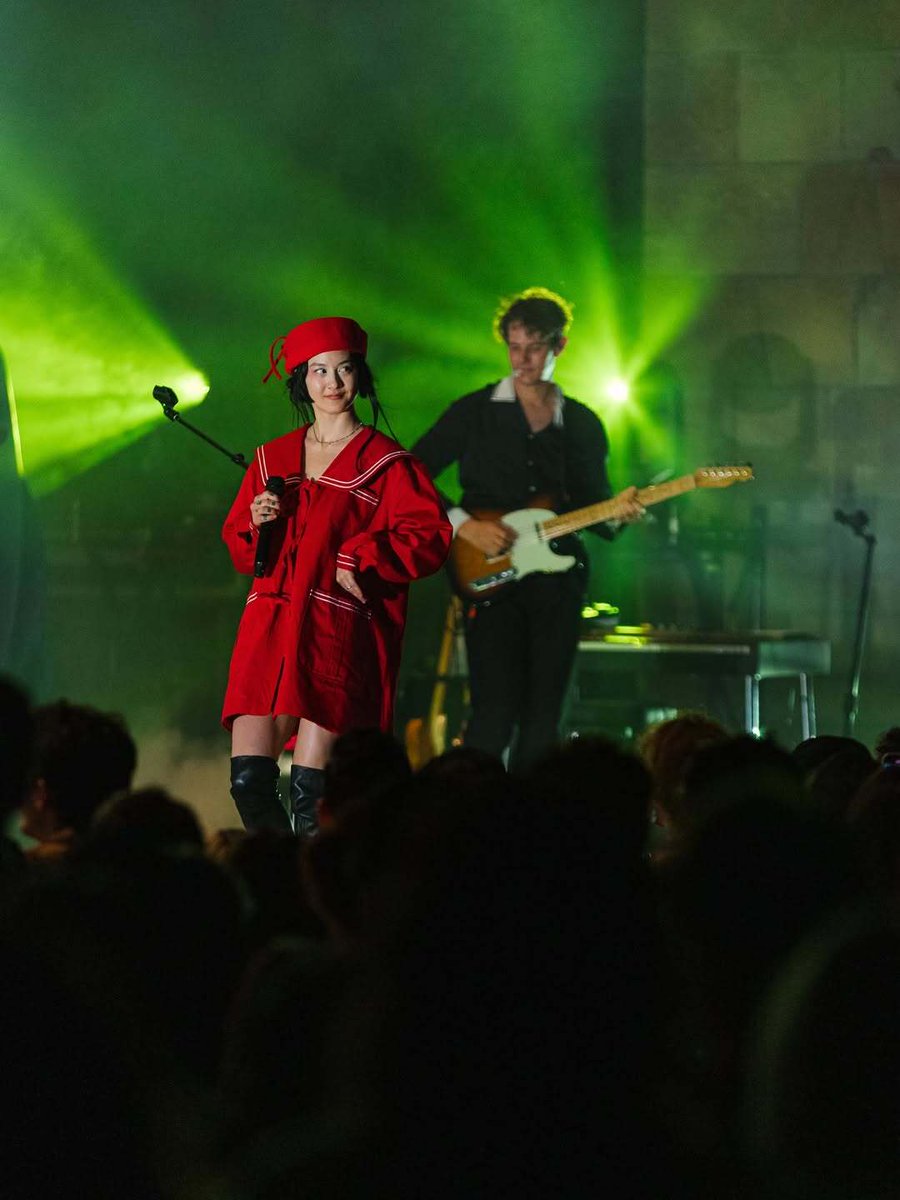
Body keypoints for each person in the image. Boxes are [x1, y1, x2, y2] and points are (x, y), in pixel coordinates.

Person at [222, 316, 452, 836]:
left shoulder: (388, 463)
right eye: (319, 371)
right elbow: (240, 547)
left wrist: (365, 552)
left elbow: (429, 537)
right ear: (301, 380)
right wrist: (256, 522)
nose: (332, 383)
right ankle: (286, 885)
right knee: (248, 784)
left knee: (312, 795)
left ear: (360, 376)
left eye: (344, 370)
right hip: (270, 627)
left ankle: (315, 898)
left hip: (335, 631)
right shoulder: (272, 459)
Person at [411, 288, 643, 771]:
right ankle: (475, 819)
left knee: (544, 718)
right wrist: (464, 525)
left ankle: (532, 824)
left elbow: (592, 504)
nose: (523, 359)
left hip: (557, 581)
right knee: (492, 716)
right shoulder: (473, 412)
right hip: (489, 577)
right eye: (514, 347)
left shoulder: (581, 423)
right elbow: (408, 472)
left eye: (534, 348)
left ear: (559, 347)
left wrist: (618, 513)